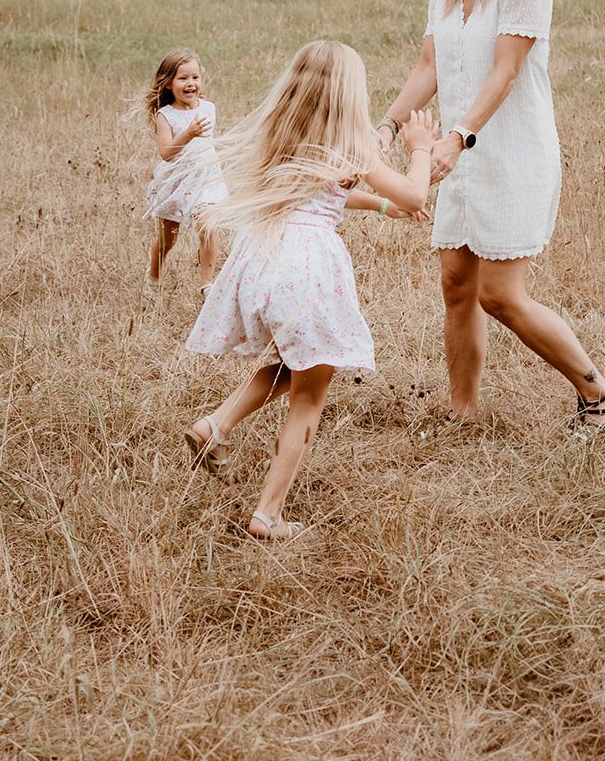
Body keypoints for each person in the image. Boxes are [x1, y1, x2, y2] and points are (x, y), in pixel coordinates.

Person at [377, 0, 605, 435]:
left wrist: (458, 137)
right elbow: (429, 66)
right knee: (457, 285)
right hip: (457, 154)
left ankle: (600, 395)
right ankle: (461, 412)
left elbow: (505, 72)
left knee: (499, 295)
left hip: (509, 151)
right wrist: (386, 129)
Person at [183, 40, 437, 541]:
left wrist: (382, 208)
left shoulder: (284, 130)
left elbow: (326, 192)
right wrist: (422, 151)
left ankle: (214, 426)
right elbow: (414, 191)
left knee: (288, 362)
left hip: (264, 258)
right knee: (309, 395)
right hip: (308, 269)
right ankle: (268, 514)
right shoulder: (352, 139)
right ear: (350, 92)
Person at [142, 48, 226, 298]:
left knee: (208, 227)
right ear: (168, 83)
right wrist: (188, 133)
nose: (191, 84)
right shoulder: (165, 115)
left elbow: (209, 143)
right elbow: (166, 153)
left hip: (205, 179)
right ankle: (154, 276)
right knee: (168, 240)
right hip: (176, 183)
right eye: (183, 78)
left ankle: (207, 286)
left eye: (195, 77)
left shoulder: (209, 108)